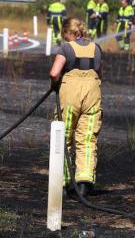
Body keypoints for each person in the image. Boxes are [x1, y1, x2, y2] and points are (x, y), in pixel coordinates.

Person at [49, 17, 103, 198]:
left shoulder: (66, 48)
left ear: (67, 32)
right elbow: (99, 72)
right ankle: (84, 182)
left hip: (71, 93)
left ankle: (63, 182)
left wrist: (55, 84)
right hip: (93, 93)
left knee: (63, 136)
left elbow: (55, 72)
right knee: (87, 138)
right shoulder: (96, 48)